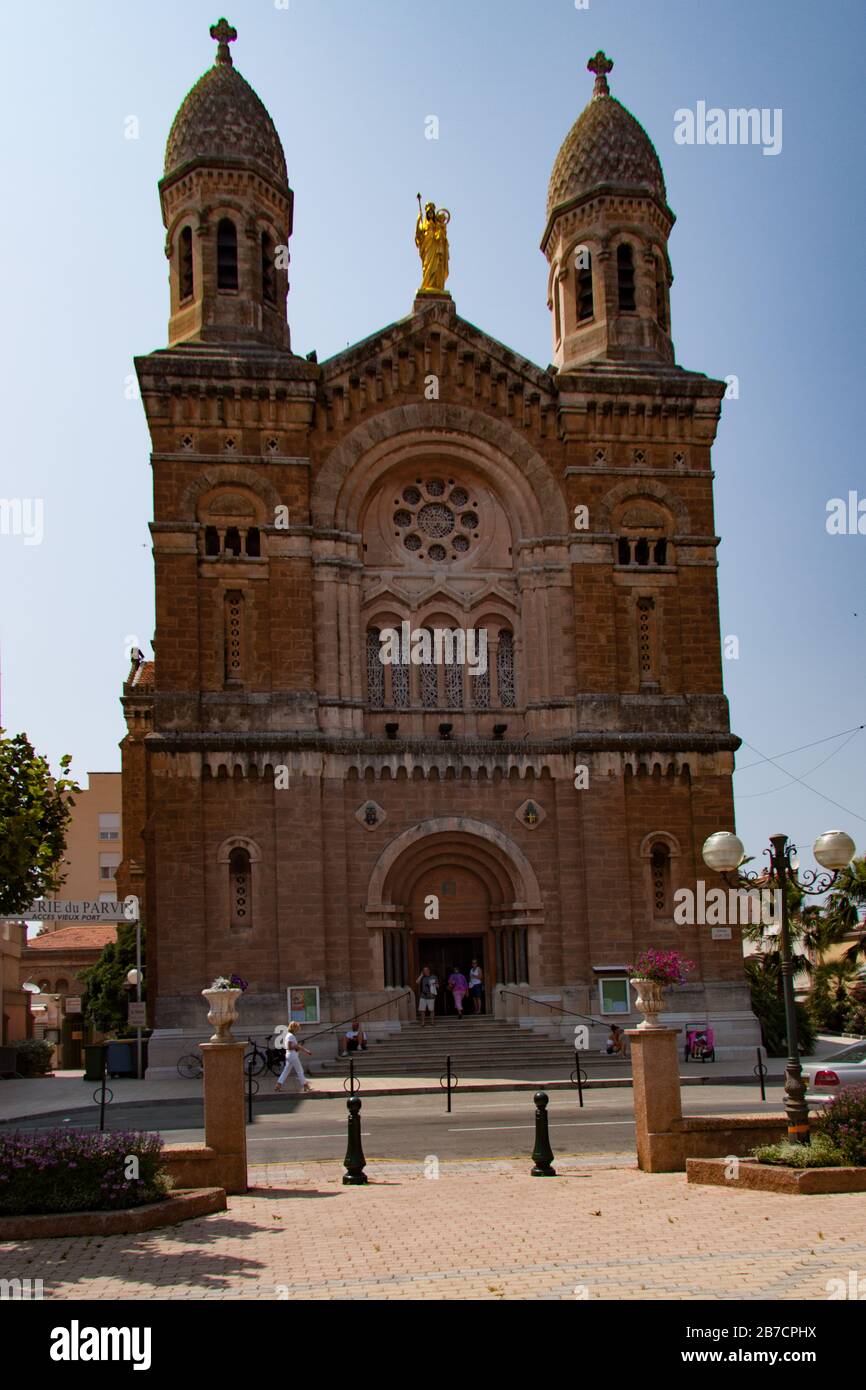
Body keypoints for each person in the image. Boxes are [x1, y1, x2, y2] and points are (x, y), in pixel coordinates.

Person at [275, 1020, 313, 1092]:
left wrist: (302, 1049)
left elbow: (295, 1046)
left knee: (286, 1071)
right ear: (294, 1028)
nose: (298, 1029)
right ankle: (305, 1085)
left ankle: (278, 1085)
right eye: (297, 1028)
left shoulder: (289, 1035)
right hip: (292, 1055)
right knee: (300, 1071)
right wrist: (298, 1047)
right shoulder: (291, 1036)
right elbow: (290, 1047)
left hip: (289, 1055)